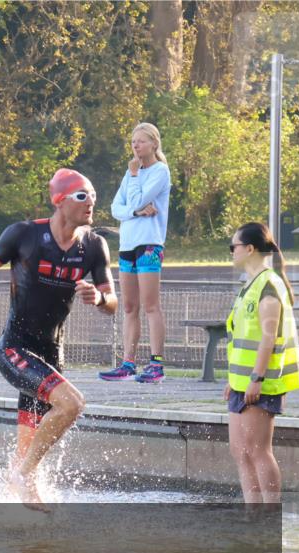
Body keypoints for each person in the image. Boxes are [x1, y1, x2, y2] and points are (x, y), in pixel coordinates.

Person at [0, 169, 118, 511]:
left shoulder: (94, 246)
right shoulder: (23, 234)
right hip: (15, 348)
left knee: (28, 445)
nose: (91, 201)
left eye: (93, 194)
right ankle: (24, 476)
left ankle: (16, 507)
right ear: (60, 201)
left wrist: (99, 298)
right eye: (82, 195)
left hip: (51, 356)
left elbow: (112, 302)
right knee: (72, 404)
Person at [225, 222, 299, 504]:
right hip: (241, 383)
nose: (231, 252)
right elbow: (242, 338)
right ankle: (253, 514)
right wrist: (232, 381)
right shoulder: (250, 285)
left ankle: (269, 516)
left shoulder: (269, 285)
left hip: (261, 383)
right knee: (240, 450)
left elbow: (268, 338)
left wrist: (256, 378)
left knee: (257, 450)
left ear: (250, 248)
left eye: (234, 247)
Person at [100, 122, 171, 383]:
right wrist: (135, 212)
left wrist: (134, 192)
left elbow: (138, 199)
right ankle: (128, 363)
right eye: (133, 142)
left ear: (153, 144)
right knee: (129, 306)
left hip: (149, 243)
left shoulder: (160, 171)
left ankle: (156, 364)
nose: (135, 146)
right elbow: (117, 208)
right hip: (127, 245)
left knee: (151, 305)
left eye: (140, 141)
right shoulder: (130, 173)